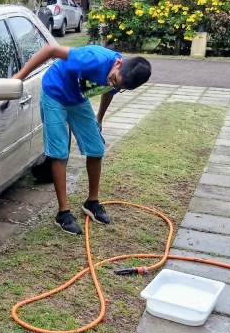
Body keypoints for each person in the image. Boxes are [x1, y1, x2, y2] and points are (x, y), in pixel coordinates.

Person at [13, 44, 151, 235]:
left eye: (119, 87)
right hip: (55, 92)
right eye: (113, 80)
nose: (113, 85)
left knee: (96, 148)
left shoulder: (120, 76)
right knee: (59, 153)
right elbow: (51, 50)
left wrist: (99, 118)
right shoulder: (93, 58)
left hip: (78, 99)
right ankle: (63, 214)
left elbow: (108, 92)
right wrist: (18, 78)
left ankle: (92, 202)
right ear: (118, 63)